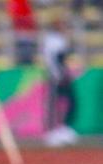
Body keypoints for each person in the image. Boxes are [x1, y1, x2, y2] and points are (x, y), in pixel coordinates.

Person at [42, 17, 78, 147]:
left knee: (70, 102)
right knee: (54, 104)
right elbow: (57, 59)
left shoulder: (58, 39)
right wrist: (60, 74)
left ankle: (63, 129)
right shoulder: (53, 40)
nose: (65, 28)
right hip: (56, 76)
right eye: (62, 25)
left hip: (60, 75)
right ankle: (52, 132)